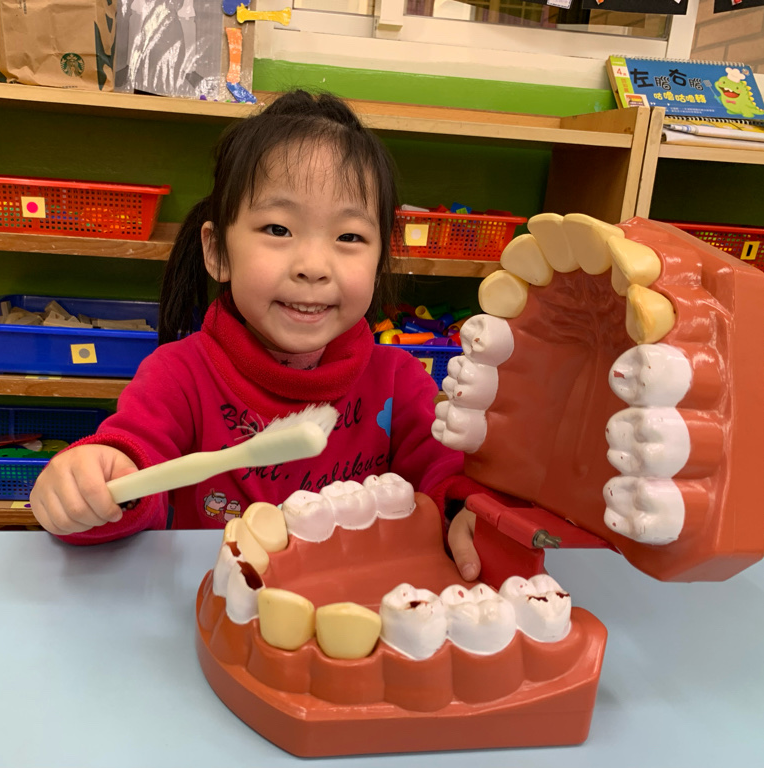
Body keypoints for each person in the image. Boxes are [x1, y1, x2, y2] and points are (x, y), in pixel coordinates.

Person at [29, 90, 481, 581]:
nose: (313, 266)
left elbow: (448, 480)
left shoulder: (399, 382)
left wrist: (465, 513)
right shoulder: (178, 376)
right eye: (278, 229)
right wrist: (92, 486)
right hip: (216, 601)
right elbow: (133, 475)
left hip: (356, 605)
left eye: (349, 236)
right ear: (217, 251)